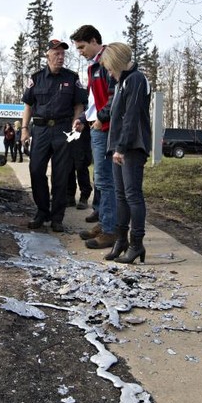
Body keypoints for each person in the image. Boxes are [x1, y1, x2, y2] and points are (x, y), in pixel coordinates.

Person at [21, 39, 86, 232]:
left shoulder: (72, 78)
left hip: (63, 130)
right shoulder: (36, 78)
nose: (60, 57)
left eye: (63, 54)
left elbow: (79, 105)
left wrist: (76, 125)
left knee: (61, 174)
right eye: (56, 53)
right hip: (40, 130)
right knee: (36, 170)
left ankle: (57, 217)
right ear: (47, 55)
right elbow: (28, 105)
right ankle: (42, 211)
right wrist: (24, 129)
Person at [100, 42, 152, 264]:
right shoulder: (122, 82)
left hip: (132, 145)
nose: (109, 73)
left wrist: (121, 147)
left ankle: (136, 244)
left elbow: (131, 116)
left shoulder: (136, 79)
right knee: (120, 195)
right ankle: (120, 241)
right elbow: (115, 115)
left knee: (133, 195)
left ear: (117, 62)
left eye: (110, 68)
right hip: (119, 146)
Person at [71, 25, 117, 250]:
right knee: (101, 179)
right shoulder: (92, 67)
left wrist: (101, 117)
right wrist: (82, 118)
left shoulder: (109, 61)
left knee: (106, 180)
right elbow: (92, 99)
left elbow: (114, 96)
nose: (80, 52)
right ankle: (105, 222)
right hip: (96, 125)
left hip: (106, 128)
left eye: (82, 47)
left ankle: (110, 231)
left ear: (93, 41)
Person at [66, 121, 93, 209]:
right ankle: (70, 195)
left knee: (81, 164)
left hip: (81, 128)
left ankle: (84, 196)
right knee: (68, 164)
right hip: (67, 128)